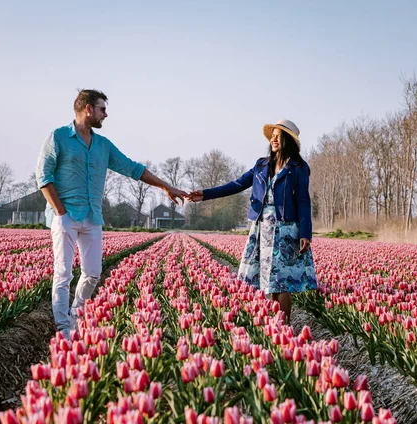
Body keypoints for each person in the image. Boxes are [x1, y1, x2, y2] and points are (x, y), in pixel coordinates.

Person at [36, 89, 188, 337]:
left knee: (94, 273)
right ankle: (63, 327)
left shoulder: (102, 145)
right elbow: (43, 176)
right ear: (88, 109)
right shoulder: (58, 137)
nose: (105, 114)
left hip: (93, 217)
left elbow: (133, 168)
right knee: (63, 273)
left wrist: (166, 186)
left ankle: (77, 312)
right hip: (65, 216)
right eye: (102, 109)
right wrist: (60, 211)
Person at [189, 119, 317, 323]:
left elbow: (303, 201)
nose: (274, 140)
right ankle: (276, 324)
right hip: (262, 228)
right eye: (273, 136)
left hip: (285, 228)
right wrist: (205, 195)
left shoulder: (299, 167)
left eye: (279, 136)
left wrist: (305, 234)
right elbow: (237, 184)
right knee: (270, 280)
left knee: (283, 281)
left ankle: (284, 327)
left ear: (288, 140)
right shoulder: (262, 165)